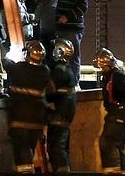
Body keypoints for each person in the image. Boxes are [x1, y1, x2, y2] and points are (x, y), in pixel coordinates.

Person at [5, 40, 52, 174]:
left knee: (22, 152)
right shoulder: (45, 71)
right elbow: (51, 89)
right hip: (37, 121)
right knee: (28, 150)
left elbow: (7, 64)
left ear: (28, 54)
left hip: (19, 119)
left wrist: (10, 55)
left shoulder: (18, 68)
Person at [93, 48, 125, 175]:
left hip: (118, 112)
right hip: (115, 112)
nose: (101, 69)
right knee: (118, 146)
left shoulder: (117, 76)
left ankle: (112, 170)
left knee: (107, 142)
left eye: (103, 67)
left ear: (109, 65)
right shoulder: (108, 76)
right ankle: (123, 170)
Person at [45, 37, 77, 173]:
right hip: (64, 115)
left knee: (56, 148)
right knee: (61, 148)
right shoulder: (67, 69)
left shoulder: (59, 71)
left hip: (58, 115)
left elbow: (48, 91)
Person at [55, 0, 88, 85]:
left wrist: (67, 17)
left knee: (72, 56)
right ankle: (66, 82)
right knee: (63, 56)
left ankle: (74, 83)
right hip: (63, 29)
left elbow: (83, 6)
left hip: (72, 29)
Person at [34, 0, 59, 65]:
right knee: (44, 56)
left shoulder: (58, 0)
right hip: (43, 32)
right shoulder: (42, 2)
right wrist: (40, 3)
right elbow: (36, 17)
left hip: (54, 32)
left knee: (54, 56)